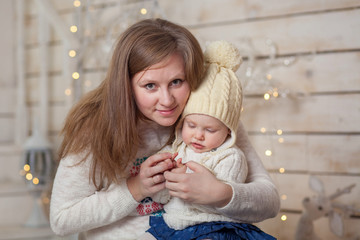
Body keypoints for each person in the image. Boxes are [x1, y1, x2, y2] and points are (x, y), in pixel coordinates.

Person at [50, 18, 280, 240]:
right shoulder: (95, 128)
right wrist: (135, 188)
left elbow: (269, 200)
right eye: (150, 86)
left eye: (176, 82)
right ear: (126, 85)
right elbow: (62, 220)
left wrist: (221, 194)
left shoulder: (208, 120)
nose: (167, 100)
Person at [142, 41, 276, 240]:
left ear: (229, 132)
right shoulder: (178, 149)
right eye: (192, 125)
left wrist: (187, 183)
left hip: (212, 226)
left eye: (210, 129)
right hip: (174, 224)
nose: (198, 135)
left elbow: (217, 203)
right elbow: (161, 196)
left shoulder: (230, 157)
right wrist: (158, 179)